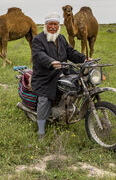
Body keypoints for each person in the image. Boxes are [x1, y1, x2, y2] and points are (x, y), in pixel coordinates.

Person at [31, 12, 88, 141]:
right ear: (45, 25)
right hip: (44, 76)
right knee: (44, 100)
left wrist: (84, 59)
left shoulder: (61, 38)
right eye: (50, 24)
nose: (53, 27)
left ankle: (68, 110)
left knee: (77, 85)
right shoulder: (38, 39)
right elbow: (39, 55)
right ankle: (41, 131)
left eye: (55, 24)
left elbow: (70, 52)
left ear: (58, 25)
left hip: (62, 72)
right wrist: (51, 62)